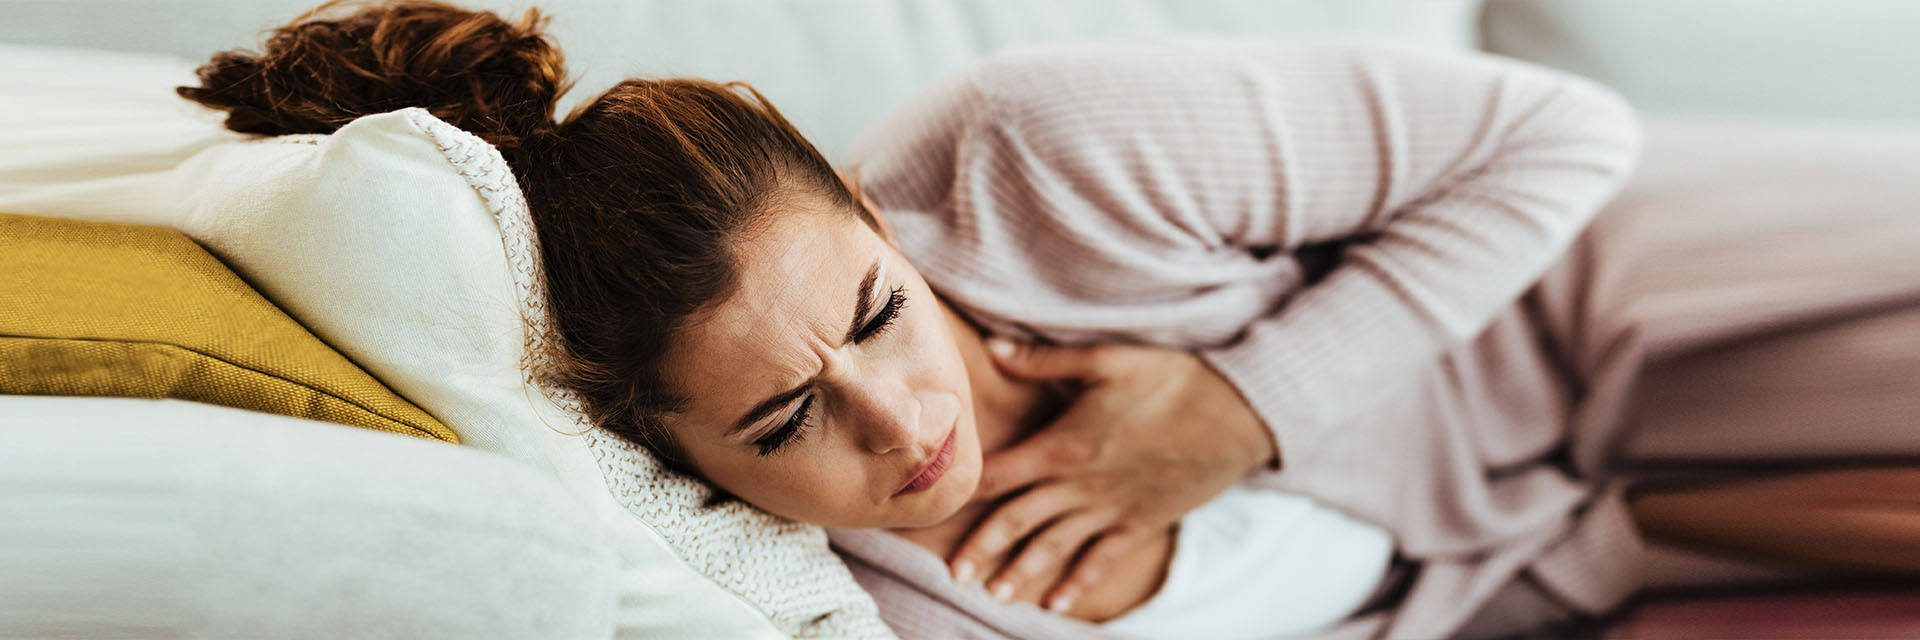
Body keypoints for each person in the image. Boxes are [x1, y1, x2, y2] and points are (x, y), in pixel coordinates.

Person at [177, 2, 1920, 638]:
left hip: (1637, 272)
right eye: (782, 427)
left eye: (876, 308)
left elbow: (1566, 133)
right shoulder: (863, 598)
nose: (898, 422)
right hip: (1625, 526)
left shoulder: (1040, 151)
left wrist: (1250, 403)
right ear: (668, 454)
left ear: (877, 212)